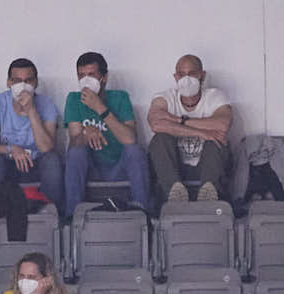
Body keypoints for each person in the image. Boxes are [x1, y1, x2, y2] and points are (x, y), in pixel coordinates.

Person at [63, 51, 150, 216]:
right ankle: (72, 217)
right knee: (76, 153)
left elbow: (130, 139)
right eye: (81, 76)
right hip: (92, 167)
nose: (86, 81)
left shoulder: (120, 97)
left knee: (135, 152)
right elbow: (74, 143)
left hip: (119, 166)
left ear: (104, 77)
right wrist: (85, 132)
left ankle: (144, 214)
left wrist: (100, 108)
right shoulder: (74, 99)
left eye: (91, 75)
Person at [147, 55, 234, 203]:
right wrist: (202, 133)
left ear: (202, 75)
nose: (186, 80)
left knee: (216, 141)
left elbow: (223, 125)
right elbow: (156, 124)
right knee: (160, 139)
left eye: (192, 74)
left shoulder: (215, 96)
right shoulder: (165, 97)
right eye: (181, 74)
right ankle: (174, 195)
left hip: (207, 166)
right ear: (175, 77)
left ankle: (209, 194)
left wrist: (179, 121)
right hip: (175, 167)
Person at [0, 58, 64, 211]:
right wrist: (12, 149)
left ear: (36, 83)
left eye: (28, 81)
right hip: (7, 164)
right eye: (17, 81)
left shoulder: (46, 104)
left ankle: (52, 215)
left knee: (52, 159)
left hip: (36, 163)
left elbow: (47, 148)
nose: (23, 86)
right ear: (8, 83)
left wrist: (32, 111)